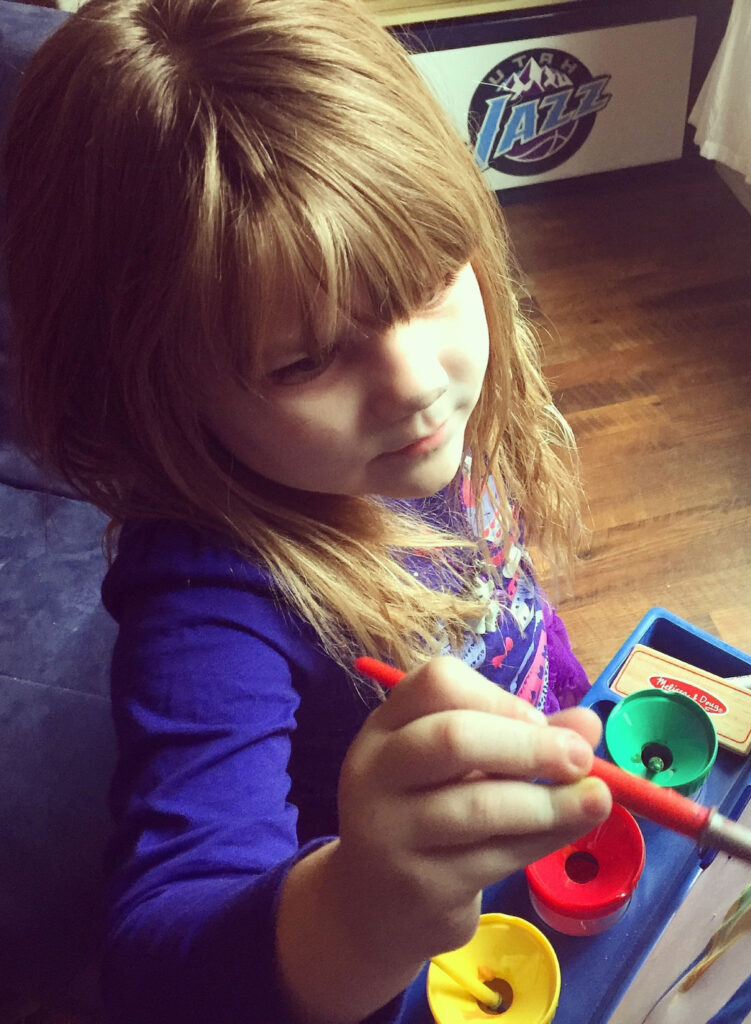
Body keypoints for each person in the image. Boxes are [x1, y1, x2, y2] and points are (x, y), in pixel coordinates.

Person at [2, 0, 613, 1021]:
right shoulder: (208, 598)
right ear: (158, 394)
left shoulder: (414, 439)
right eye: (303, 360)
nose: (417, 384)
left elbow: (497, 594)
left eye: (430, 279)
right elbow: (156, 954)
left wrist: (564, 697)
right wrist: (360, 909)